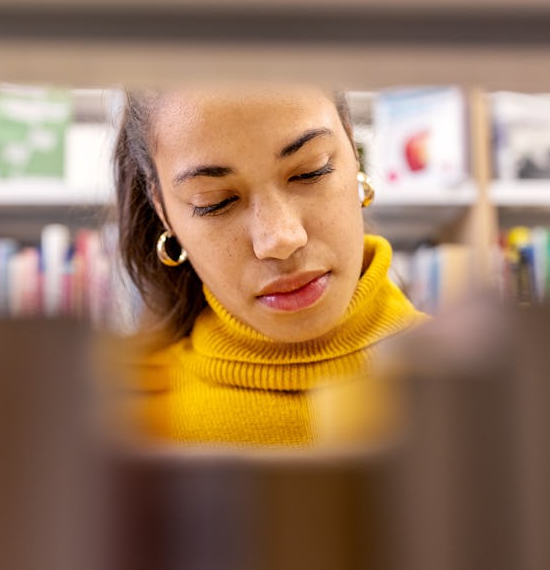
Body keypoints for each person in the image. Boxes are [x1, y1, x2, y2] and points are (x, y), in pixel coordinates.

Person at [113, 83, 425, 446]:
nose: (281, 238)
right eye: (216, 202)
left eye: (311, 171)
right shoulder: (123, 424)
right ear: (163, 210)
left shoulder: (485, 396)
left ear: (353, 147)